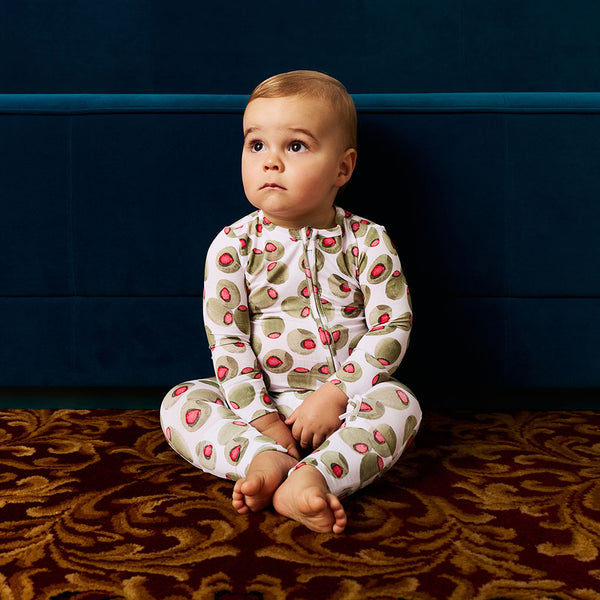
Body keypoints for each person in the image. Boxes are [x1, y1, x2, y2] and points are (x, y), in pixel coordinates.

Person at [160, 70, 421, 534]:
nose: (270, 162)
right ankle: (262, 459)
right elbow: (227, 340)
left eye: (295, 146)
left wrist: (335, 395)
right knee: (181, 401)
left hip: (346, 404)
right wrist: (263, 421)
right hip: (256, 404)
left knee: (403, 403)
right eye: (256, 144)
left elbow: (392, 326)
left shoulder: (367, 241)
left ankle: (314, 478)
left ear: (342, 169)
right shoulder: (232, 245)